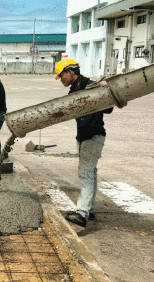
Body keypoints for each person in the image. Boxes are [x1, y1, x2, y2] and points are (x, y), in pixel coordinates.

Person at [55, 58, 113, 228]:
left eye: (61, 76)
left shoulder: (91, 85)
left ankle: (82, 214)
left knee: (86, 173)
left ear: (70, 72)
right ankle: (89, 209)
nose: (61, 80)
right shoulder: (74, 90)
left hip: (93, 135)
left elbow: (108, 107)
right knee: (90, 172)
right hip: (84, 136)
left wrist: (102, 92)